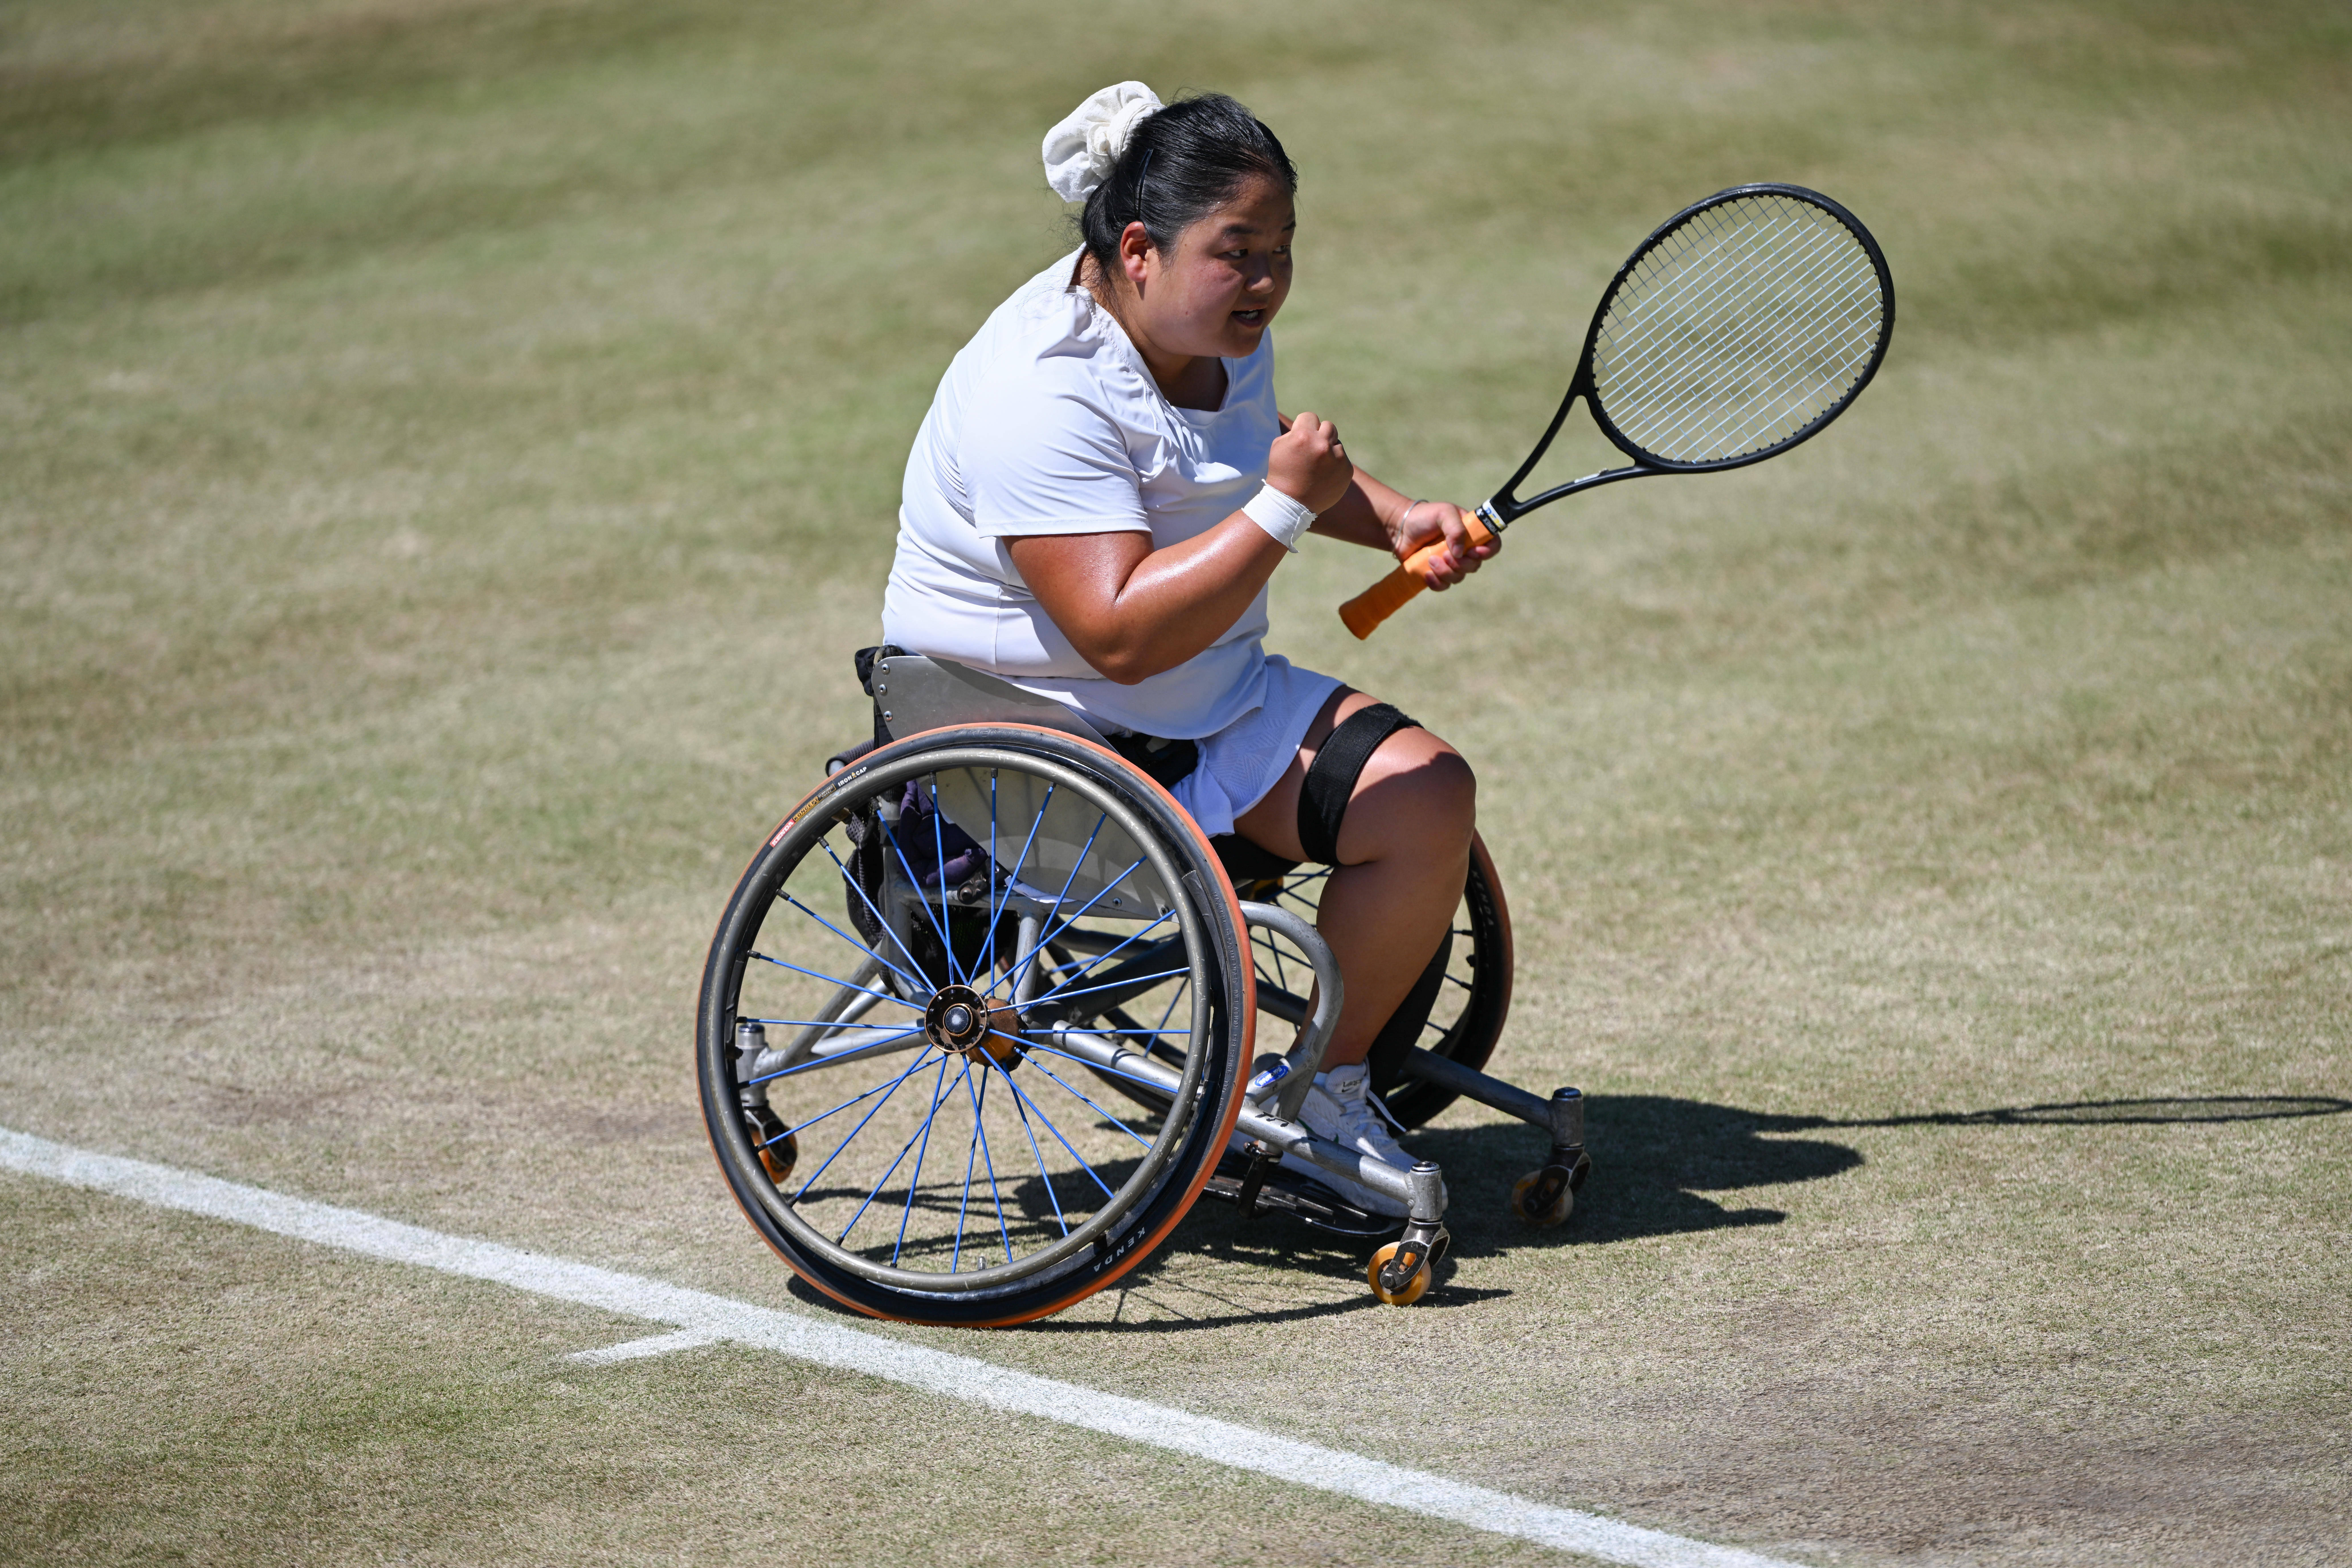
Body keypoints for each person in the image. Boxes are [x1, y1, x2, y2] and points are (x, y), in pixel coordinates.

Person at [880, 82, 1496, 1216]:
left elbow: (1247, 451)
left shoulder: (1206, 326)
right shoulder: (1040, 391)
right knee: (1383, 778)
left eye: (1282, 248)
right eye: (1237, 251)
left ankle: (1318, 1088)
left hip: (1201, 706)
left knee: (1426, 795)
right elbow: (1115, 634)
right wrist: (1283, 515)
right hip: (1040, 743)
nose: (1266, 278)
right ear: (1138, 250)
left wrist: (1395, 514)